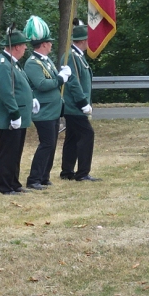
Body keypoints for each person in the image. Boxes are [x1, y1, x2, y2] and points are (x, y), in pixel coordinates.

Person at [21, 16, 64, 188]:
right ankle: (34, 179)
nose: (51, 44)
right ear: (44, 44)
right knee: (46, 144)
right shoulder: (33, 63)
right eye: (50, 42)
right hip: (44, 111)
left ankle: (44, 176)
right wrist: (60, 79)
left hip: (53, 110)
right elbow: (41, 84)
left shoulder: (46, 60)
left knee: (51, 144)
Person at [0, 26, 34, 194]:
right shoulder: (3, 64)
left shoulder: (12, 63)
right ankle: (5, 186)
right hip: (9, 118)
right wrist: (14, 114)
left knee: (15, 152)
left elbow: (21, 87)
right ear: (16, 47)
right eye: (23, 45)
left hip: (18, 116)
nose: (25, 48)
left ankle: (14, 183)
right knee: (8, 153)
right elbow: (6, 92)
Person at [59, 21, 98, 181]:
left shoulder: (77, 56)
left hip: (75, 106)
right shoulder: (71, 57)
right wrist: (82, 103)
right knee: (87, 134)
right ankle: (82, 173)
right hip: (74, 106)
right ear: (83, 41)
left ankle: (67, 171)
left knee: (72, 137)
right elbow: (73, 82)